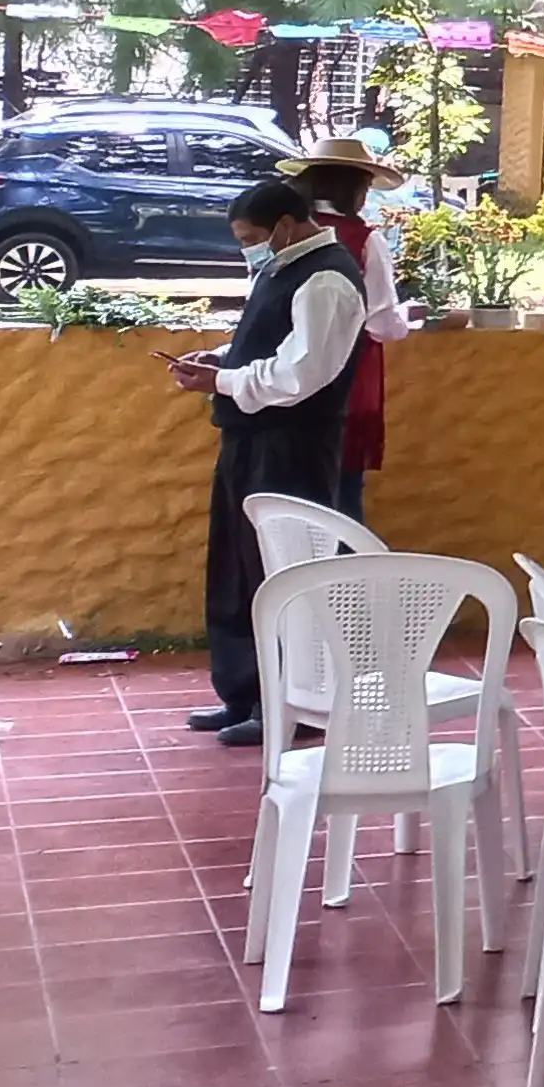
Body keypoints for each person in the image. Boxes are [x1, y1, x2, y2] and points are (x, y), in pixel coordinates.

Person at [174, 178, 371, 745]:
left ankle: (296, 704)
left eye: (253, 236)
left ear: (287, 223)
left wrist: (225, 379)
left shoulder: (327, 278)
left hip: (293, 445)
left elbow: (303, 374)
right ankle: (246, 693)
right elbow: (275, 350)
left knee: (287, 575)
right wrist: (222, 362)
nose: (249, 248)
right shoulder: (282, 268)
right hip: (250, 438)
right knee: (239, 571)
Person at [287, 133, 412, 523]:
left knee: (294, 497)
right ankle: (344, 580)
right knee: (342, 497)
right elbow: (382, 322)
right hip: (350, 381)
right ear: (355, 187)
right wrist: (408, 319)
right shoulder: (364, 240)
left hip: (287, 376)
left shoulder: (286, 232)